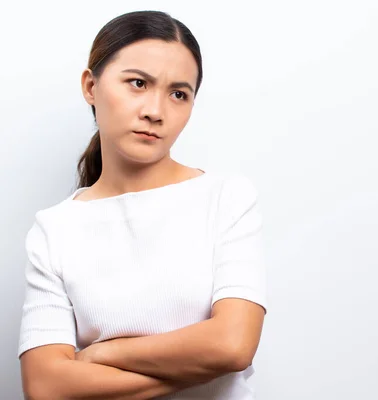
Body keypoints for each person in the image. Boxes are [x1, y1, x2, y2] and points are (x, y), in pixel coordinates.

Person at [17, 10, 267, 400]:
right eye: (138, 83)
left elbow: (233, 345)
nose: (156, 111)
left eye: (178, 94)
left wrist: (103, 354)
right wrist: (201, 367)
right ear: (90, 86)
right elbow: (45, 386)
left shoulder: (225, 198)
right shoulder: (55, 228)